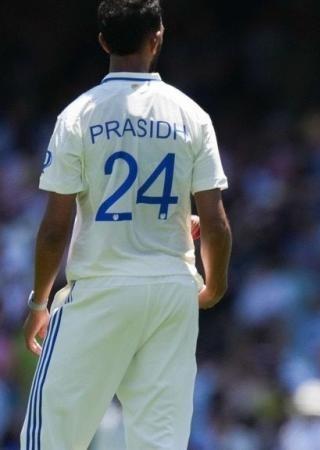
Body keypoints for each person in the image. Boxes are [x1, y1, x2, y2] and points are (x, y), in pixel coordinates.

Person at [20, 0, 231, 448]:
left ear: (102, 42)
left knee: (50, 438)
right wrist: (213, 285)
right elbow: (214, 221)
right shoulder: (192, 115)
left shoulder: (78, 115)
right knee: (158, 443)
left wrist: (39, 302)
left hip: (102, 287)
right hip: (173, 288)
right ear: (158, 37)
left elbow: (56, 228)